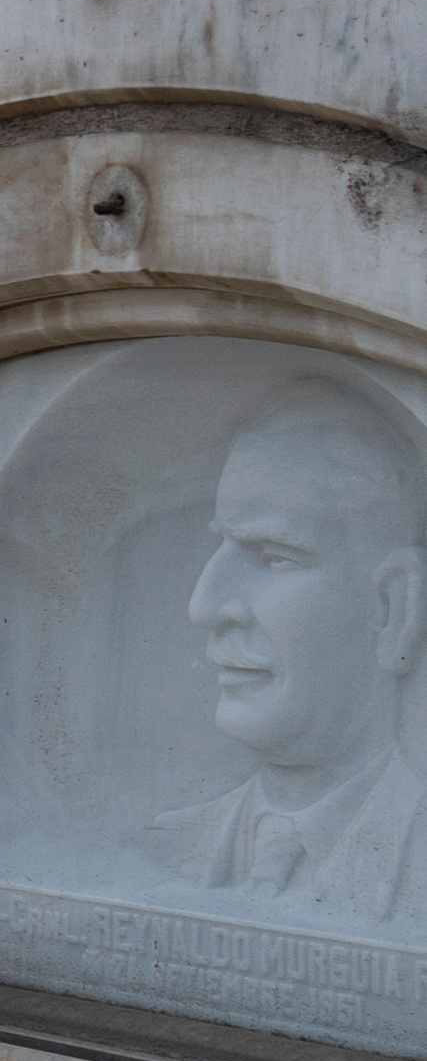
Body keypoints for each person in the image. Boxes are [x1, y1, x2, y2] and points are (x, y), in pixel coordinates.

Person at [147, 382, 427, 926]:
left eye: (275, 557)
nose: (204, 606)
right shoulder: (164, 844)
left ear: (393, 608)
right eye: (219, 543)